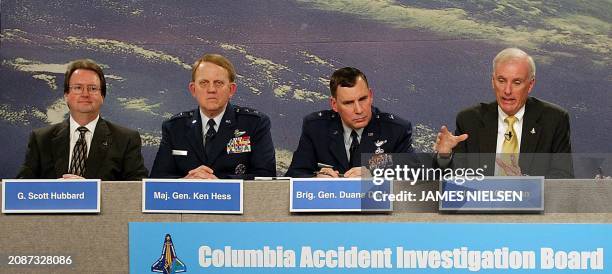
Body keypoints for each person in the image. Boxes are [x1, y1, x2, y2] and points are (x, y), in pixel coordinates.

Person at [435, 48, 573, 178]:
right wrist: (444, 157)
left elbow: (563, 177)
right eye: (501, 80)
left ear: (530, 84)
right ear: (493, 81)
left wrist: (527, 185)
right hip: (481, 202)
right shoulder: (470, 120)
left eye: (516, 82)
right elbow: (455, 180)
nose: (507, 90)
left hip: (529, 203)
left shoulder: (554, 120)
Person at [17, 59, 149, 180]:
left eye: (92, 88)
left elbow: (138, 190)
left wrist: (89, 191)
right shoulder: (41, 139)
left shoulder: (125, 140)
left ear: (102, 96)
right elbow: (19, 190)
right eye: (78, 88)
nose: (85, 94)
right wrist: (54, 191)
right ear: (66, 96)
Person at [150, 54, 276, 179]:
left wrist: (220, 185)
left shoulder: (254, 124)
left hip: (236, 199)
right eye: (204, 83)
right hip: (188, 198)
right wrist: (185, 182)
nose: (211, 89)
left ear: (231, 90)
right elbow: (157, 180)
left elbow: (266, 177)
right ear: (193, 89)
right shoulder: (174, 127)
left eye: (218, 83)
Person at [286, 67, 414, 178]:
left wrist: (375, 175)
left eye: (363, 99)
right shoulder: (316, 128)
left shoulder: (396, 130)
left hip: (375, 204)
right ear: (334, 104)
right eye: (348, 103)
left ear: (370, 95)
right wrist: (315, 180)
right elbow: (295, 174)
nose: (359, 110)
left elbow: (415, 176)